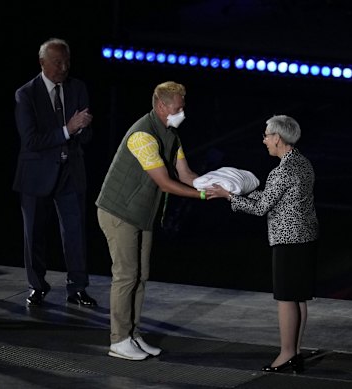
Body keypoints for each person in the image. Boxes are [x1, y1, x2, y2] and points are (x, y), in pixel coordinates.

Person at [96, 81, 209, 360]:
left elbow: (185, 175)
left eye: (183, 106)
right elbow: (167, 183)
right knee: (126, 276)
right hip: (119, 212)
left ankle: (132, 334)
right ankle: (118, 340)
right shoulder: (142, 135)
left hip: (142, 214)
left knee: (141, 276)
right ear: (161, 106)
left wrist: (215, 185)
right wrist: (204, 197)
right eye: (178, 107)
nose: (182, 112)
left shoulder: (171, 135)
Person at [206, 115, 319, 373]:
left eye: (267, 135)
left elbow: (260, 208)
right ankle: (295, 352)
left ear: (278, 138)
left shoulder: (282, 171)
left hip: (288, 241)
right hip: (305, 238)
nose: (265, 140)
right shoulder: (302, 163)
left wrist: (228, 196)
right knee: (298, 297)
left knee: (286, 298)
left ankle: (287, 354)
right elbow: (273, 198)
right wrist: (241, 192)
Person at [13, 38, 97, 308]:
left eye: (67, 62)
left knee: (74, 234)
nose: (64, 67)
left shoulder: (78, 87)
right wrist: (68, 130)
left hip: (70, 172)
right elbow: (31, 140)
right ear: (42, 63)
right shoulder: (26, 94)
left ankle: (77, 288)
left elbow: (87, 136)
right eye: (57, 62)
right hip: (37, 174)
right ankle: (37, 286)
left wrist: (83, 130)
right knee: (34, 234)